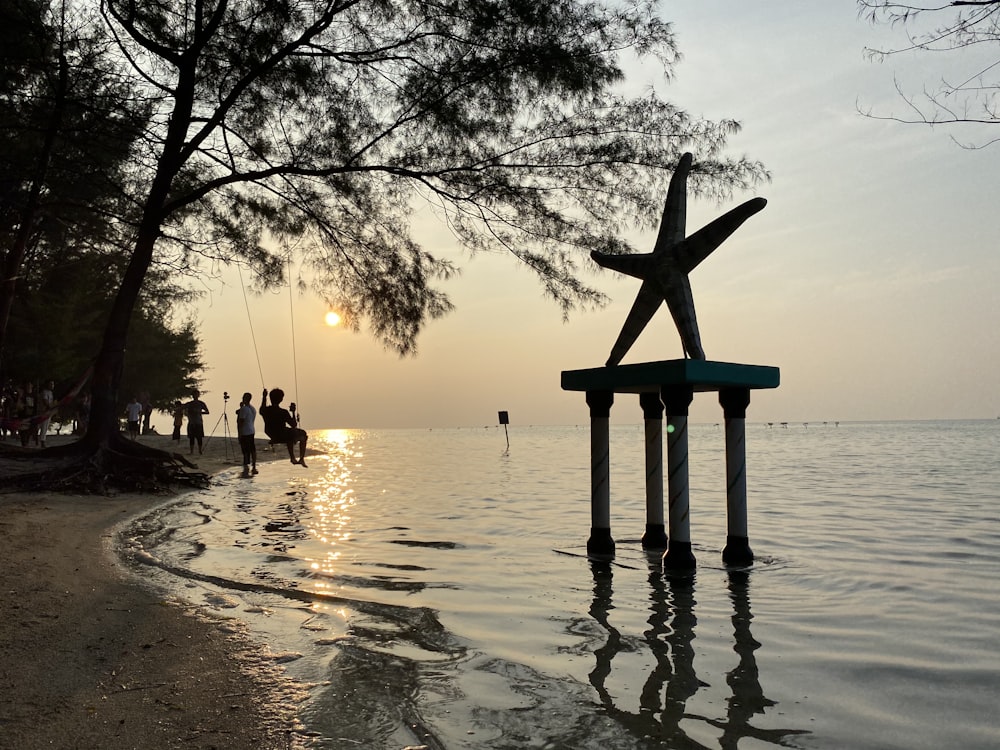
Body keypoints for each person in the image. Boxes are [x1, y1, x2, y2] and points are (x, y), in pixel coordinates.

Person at [259, 388, 307, 466]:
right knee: (303, 434)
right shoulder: (283, 412)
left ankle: (293, 458)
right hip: (281, 434)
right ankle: (300, 458)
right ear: (281, 399)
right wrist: (293, 412)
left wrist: (264, 397)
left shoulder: (265, 410)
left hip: (271, 433)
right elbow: (294, 424)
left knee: (289, 433)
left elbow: (262, 408)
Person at [236, 392, 258, 477]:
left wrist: (239, 434)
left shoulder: (244, 409)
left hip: (245, 431)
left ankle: (246, 465)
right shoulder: (252, 408)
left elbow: (241, 422)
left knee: (245, 449)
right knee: (252, 448)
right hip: (251, 430)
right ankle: (254, 465)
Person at [185, 389, 210, 455]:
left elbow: (207, 412)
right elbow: (183, 409)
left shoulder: (201, 403)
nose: (195, 396)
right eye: (194, 394)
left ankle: (200, 450)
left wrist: (199, 412)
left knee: (199, 438)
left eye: (196, 394)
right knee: (191, 438)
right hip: (192, 422)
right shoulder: (190, 404)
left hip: (198, 422)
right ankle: (192, 451)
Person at [39, 380, 54, 448]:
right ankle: (42, 441)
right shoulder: (44, 392)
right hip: (44, 411)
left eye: (53, 384)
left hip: (49, 411)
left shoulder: (50, 393)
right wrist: (50, 406)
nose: (52, 386)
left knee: (46, 426)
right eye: (51, 384)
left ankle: (42, 440)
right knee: (43, 426)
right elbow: (45, 401)